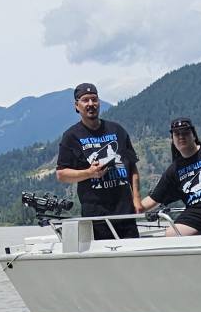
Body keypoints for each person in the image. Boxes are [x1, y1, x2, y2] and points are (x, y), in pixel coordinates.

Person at [54, 83, 141, 240]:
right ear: (77, 106)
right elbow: (61, 175)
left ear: (99, 102)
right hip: (96, 216)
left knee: (132, 261)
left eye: (94, 99)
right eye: (85, 100)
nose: (90, 104)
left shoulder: (117, 130)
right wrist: (89, 173)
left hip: (125, 212)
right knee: (106, 262)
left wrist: (136, 198)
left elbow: (132, 167)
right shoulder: (71, 136)